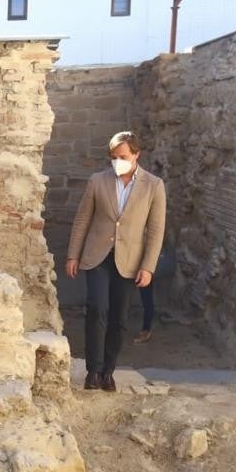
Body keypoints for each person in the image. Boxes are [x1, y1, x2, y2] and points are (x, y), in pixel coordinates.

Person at [65, 131, 166, 392]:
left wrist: (148, 266)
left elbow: (156, 230)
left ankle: (109, 370)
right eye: (113, 157)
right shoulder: (97, 181)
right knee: (97, 308)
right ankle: (93, 371)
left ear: (136, 155)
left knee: (119, 317)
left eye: (122, 157)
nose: (117, 161)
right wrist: (73, 254)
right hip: (97, 255)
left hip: (130, 260)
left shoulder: (153, 185)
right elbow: (82, 220)